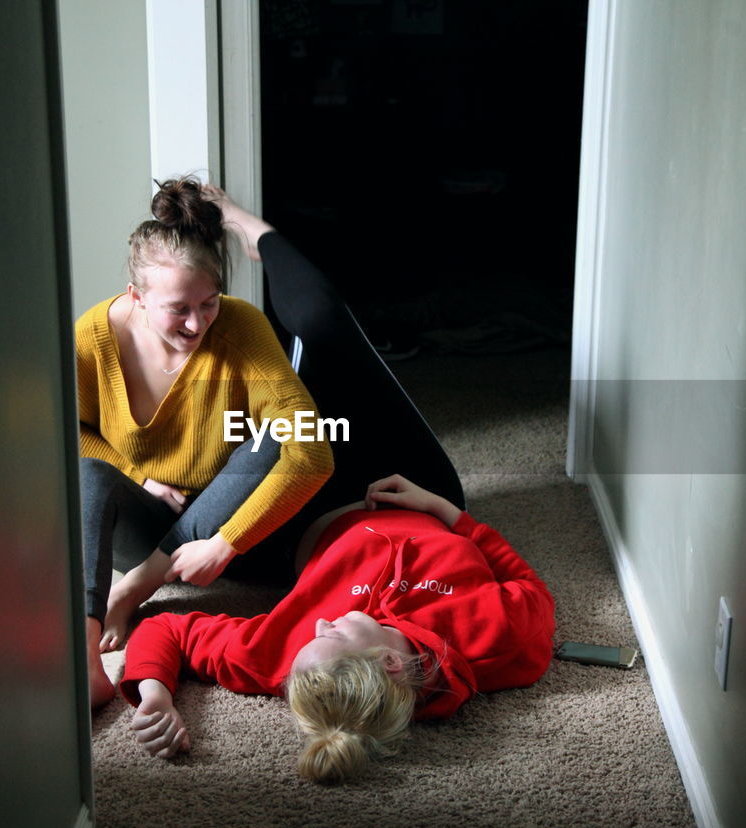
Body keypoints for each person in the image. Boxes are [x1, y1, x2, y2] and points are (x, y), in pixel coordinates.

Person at [116, 196, 556, 783]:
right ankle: (256, 233)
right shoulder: (495, 643)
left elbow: (171, 629)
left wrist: (154, 694)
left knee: (272, 413)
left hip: (296, 518)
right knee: (323, 328)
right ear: (391, 665)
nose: (320, 626)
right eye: (336, 632)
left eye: (315, 636)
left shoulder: (292, 656)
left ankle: (238, 259)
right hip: (408, 480)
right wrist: (448, 512)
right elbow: (529, 588)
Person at [76, 177, 333, 707]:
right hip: (145, 526)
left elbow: (314, 450)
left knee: (272, 438)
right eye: (178, 309)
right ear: (137, 298)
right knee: (84, 473)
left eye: (209, 303)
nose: (197, 323)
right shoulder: (91, 339)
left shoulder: (241, 328)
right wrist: (137, 475)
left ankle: (134, 589)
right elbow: (64, 435)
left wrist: (227, 541)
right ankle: (82, 655)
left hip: (229, 528)